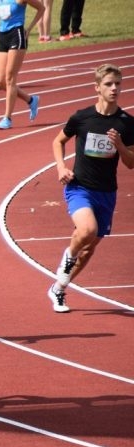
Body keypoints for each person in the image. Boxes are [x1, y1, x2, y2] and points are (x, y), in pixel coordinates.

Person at [48, 64, 134, 313]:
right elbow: (58, 140)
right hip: (79, 187)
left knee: (89, 248)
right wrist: (61, 168)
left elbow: (130, 163)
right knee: (87, 230)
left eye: (118, 83)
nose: (114, 88)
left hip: (107, 192)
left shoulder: (127, 124)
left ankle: (59, 288)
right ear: (97, 87)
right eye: (109, 84)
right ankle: (67, 260)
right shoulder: (82, 117)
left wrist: (119, 144)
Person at [0, 0, 44, 130]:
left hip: (17, 35)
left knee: (10, 78)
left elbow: (41, 8)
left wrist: (29, 29)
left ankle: (7, 118)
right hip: (2, 35)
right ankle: (31, 100)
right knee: (0, 82)